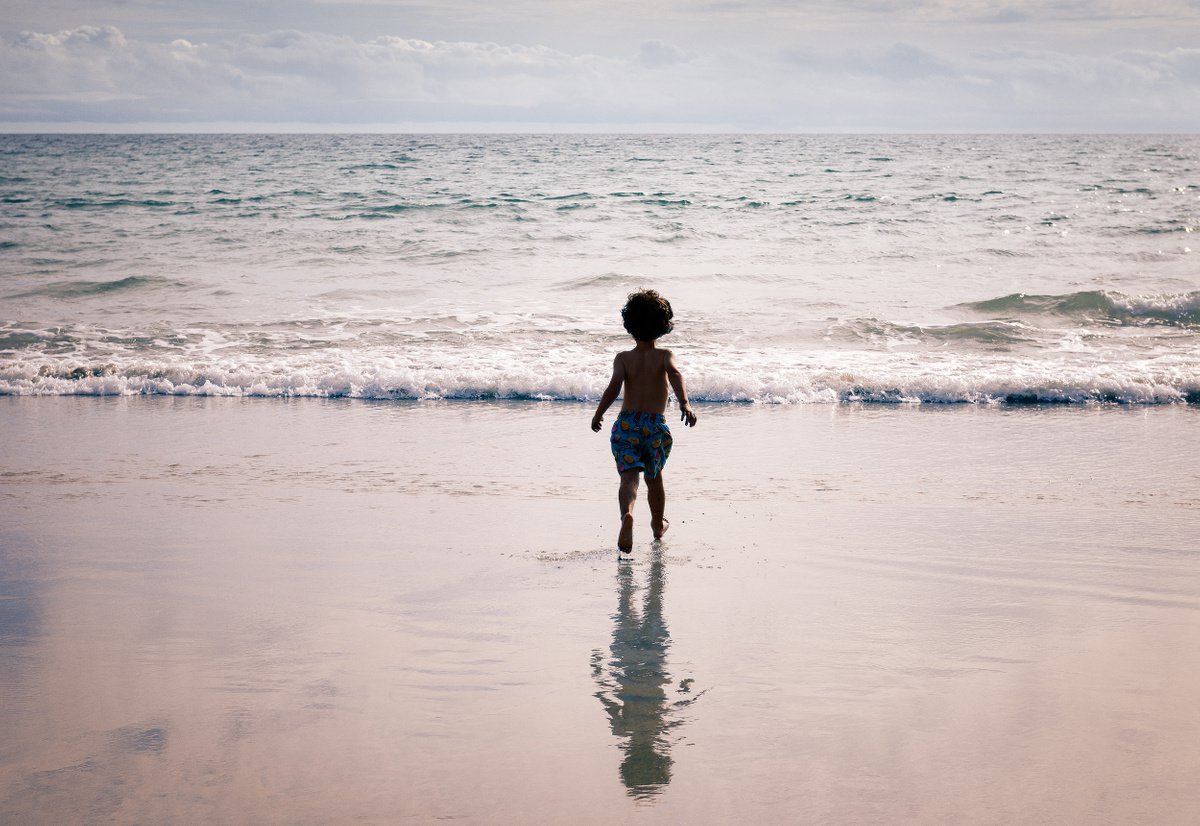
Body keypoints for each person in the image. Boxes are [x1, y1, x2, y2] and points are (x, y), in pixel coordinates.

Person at [591, 289, 698, 554]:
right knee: (654, 478)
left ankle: (627, 515)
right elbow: (675, 375)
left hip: (626, 425)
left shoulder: (623, 358)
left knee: (628, 478)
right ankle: (657, 524)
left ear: (629, 326)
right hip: (654, 426)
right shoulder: (664, 355)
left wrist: (599, 413)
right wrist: (684, 402)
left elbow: (613, 388)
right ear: (663, 326)